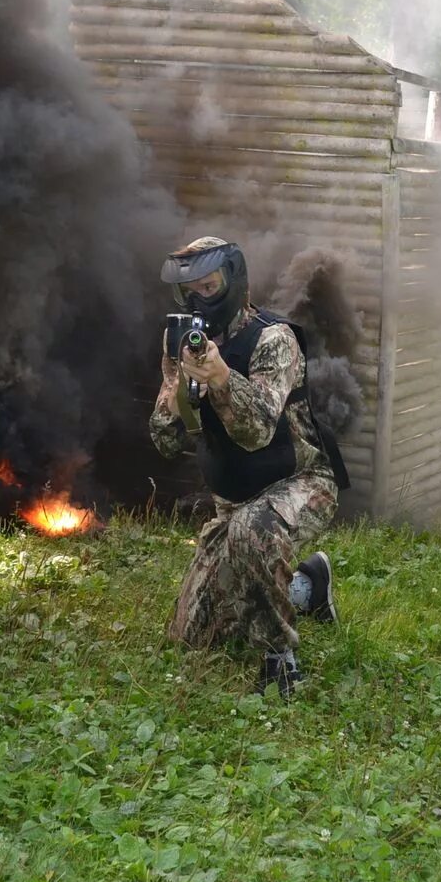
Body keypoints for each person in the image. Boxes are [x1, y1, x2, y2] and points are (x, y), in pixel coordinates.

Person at [148, 236, 348, 697]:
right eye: (190, 291)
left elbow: (257, 433)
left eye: (209, 285)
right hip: (233, 502)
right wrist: (179, 388)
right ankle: (308, 588)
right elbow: (164, 439)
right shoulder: (183, 340)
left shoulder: (274, 340)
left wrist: (220, 377)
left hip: (302, 482)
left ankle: (281, 660)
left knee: (252, 534)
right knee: (192, 637)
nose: (200, 298)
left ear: (233, 282)